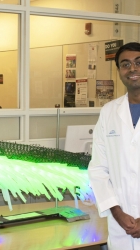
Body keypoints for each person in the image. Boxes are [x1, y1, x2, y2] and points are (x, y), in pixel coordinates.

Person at [88, 42, 140, 249]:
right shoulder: (109, 112)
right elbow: (98, 169)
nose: (132, 69)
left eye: (138, 62)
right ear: (119, 71)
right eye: (125, 64)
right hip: (121, 227)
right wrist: (117, 212)